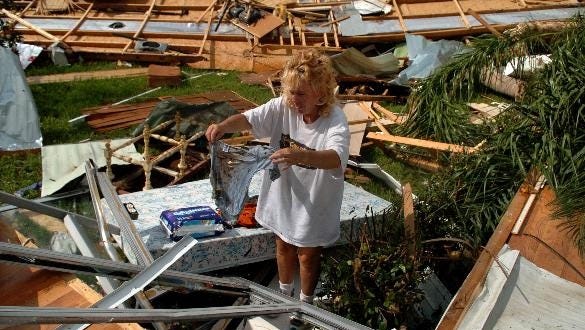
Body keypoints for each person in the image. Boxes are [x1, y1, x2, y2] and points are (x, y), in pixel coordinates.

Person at [205, 50, 350, 307]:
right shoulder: (283, 106)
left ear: (321, 93)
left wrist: (299, 155)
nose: (294, 99)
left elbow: (335, 158)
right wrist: (224, 127)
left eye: (301, 94)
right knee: (282, 244)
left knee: (307, 255)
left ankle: (305, 305)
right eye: (291, 91)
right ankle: (284, 298)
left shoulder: (334, 120)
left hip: (315, 200)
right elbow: (249, 119)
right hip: (283, 194)